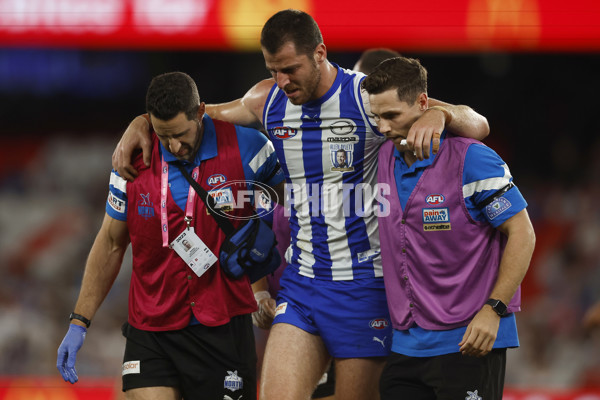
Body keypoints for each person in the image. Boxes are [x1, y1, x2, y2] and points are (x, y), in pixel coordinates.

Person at [112, 10, 490, 400]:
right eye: (274, 69)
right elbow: (196, 117)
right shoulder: (267, 99)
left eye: (290, 69)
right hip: (302, 284)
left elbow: (477, 123)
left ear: (320, 54)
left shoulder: (363, 97)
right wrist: (141, 122)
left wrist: (441, 114)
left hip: (365, 288)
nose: (282, 80)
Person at [56, 71, 285, 400]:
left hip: (223, 329)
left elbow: (289, 211)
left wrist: (263, 288)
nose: (175, 146)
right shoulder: (131, 163)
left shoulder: (249, 148)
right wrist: (79, 321)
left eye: (181, 134)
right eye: (164, 137)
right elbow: (110, 243)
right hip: (151, 328)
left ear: (201, 112)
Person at [362, 56, 536, 400]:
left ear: (423, 104)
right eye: (376, 117)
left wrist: (494, 310)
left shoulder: (472, 158)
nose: (382, 127)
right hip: (405, 346)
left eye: (392, 116)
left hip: (469, 339)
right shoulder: (381, 158)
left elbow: (523, 233)